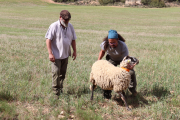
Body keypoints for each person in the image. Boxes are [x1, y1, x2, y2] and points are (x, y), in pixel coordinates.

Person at [45, 10, 77, 97]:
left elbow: (73, 39)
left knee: (62, 73)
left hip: (65, 55)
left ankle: (61, 89)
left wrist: (74, 51)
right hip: (56, 55)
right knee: (56, 72)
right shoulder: (54, 26)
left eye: (68, 20)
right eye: (65, 20)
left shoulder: (70, 26)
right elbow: (48, 39)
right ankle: (56, 93)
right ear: (60, 18)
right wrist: (50, 53)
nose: (67, 22)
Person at [98, 30, 137, 99]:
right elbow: (102, 51)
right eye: (110, 42)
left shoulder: (123, 45)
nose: (112, 44)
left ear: (118, 40)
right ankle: (107, 94)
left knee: (131, 72)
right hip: (111, 59)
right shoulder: (105, 44)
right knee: (107, 75)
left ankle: (132, 90)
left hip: (122, 60)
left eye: (114, 42)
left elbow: (126, 59)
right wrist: (98, 60)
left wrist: (129, 66)